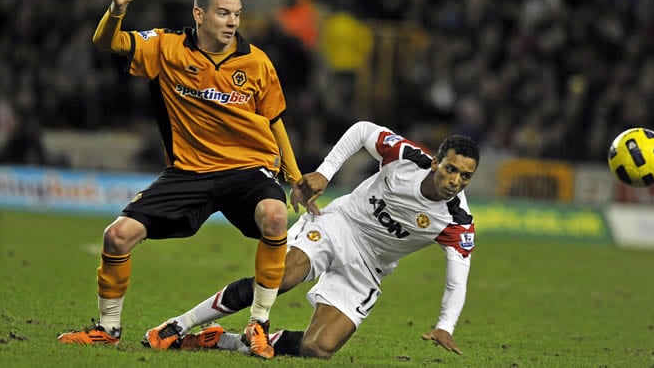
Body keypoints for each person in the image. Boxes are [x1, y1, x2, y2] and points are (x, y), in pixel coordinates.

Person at [56, 0, 308, 360]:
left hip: (247, 168)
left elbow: (274, 120)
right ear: (199, 14)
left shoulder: (256, 62)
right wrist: (117, 9)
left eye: (237, 15)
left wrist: (293, 177)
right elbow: (107, 41)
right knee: (117, 236)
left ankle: (258, 323)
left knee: (274, 216)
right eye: (223, 13)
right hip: (188, 172)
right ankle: (107, 329)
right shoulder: (165, 46)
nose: (232, 22)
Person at [144, 120, 480, 359]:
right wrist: (324, 172)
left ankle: (222, 341)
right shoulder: (407, 158)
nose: (455, 180)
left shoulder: (457, 222)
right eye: (451, 169)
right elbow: (363, 130)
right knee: (282, 276)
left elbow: (457, 281)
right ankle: (178, 325)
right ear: (436, 162)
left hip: (369, 267)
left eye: (465, 176)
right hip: (340, 224)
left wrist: (445, 325)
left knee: (317, 349)